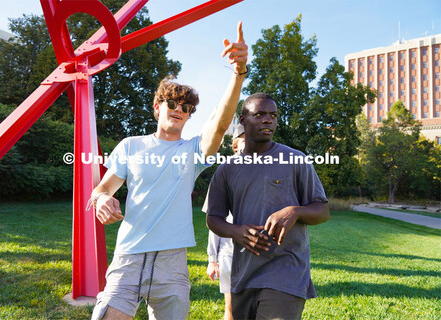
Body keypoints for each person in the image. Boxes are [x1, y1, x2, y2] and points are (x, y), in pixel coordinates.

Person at [89, 22, 248, 320]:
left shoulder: (192, 151)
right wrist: (101, 200)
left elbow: (220, 123)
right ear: (157, 106)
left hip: (172, 264)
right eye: (172, 102)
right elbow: (102, 189)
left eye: (186, 108)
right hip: (129, 257)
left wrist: (238, 74)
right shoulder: (130, 145)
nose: (179, 109)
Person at [205, 93, 330, 320]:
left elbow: (322, 210)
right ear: (243, 120)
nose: (268, 120)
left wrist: (295, 211)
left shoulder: (296, 160)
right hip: (243, 274)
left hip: (286, 271)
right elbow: (213, 217)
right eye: (259, 114)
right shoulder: (227, 169)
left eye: (273, 115)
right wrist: (235, 231)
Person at [205, 126, 245, 320]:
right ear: (235, 146)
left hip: (259, 252)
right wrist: (213, 259)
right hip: (230, 253)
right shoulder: (224, 173)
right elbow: (214, 222)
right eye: (243, 140)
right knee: (231, 310)